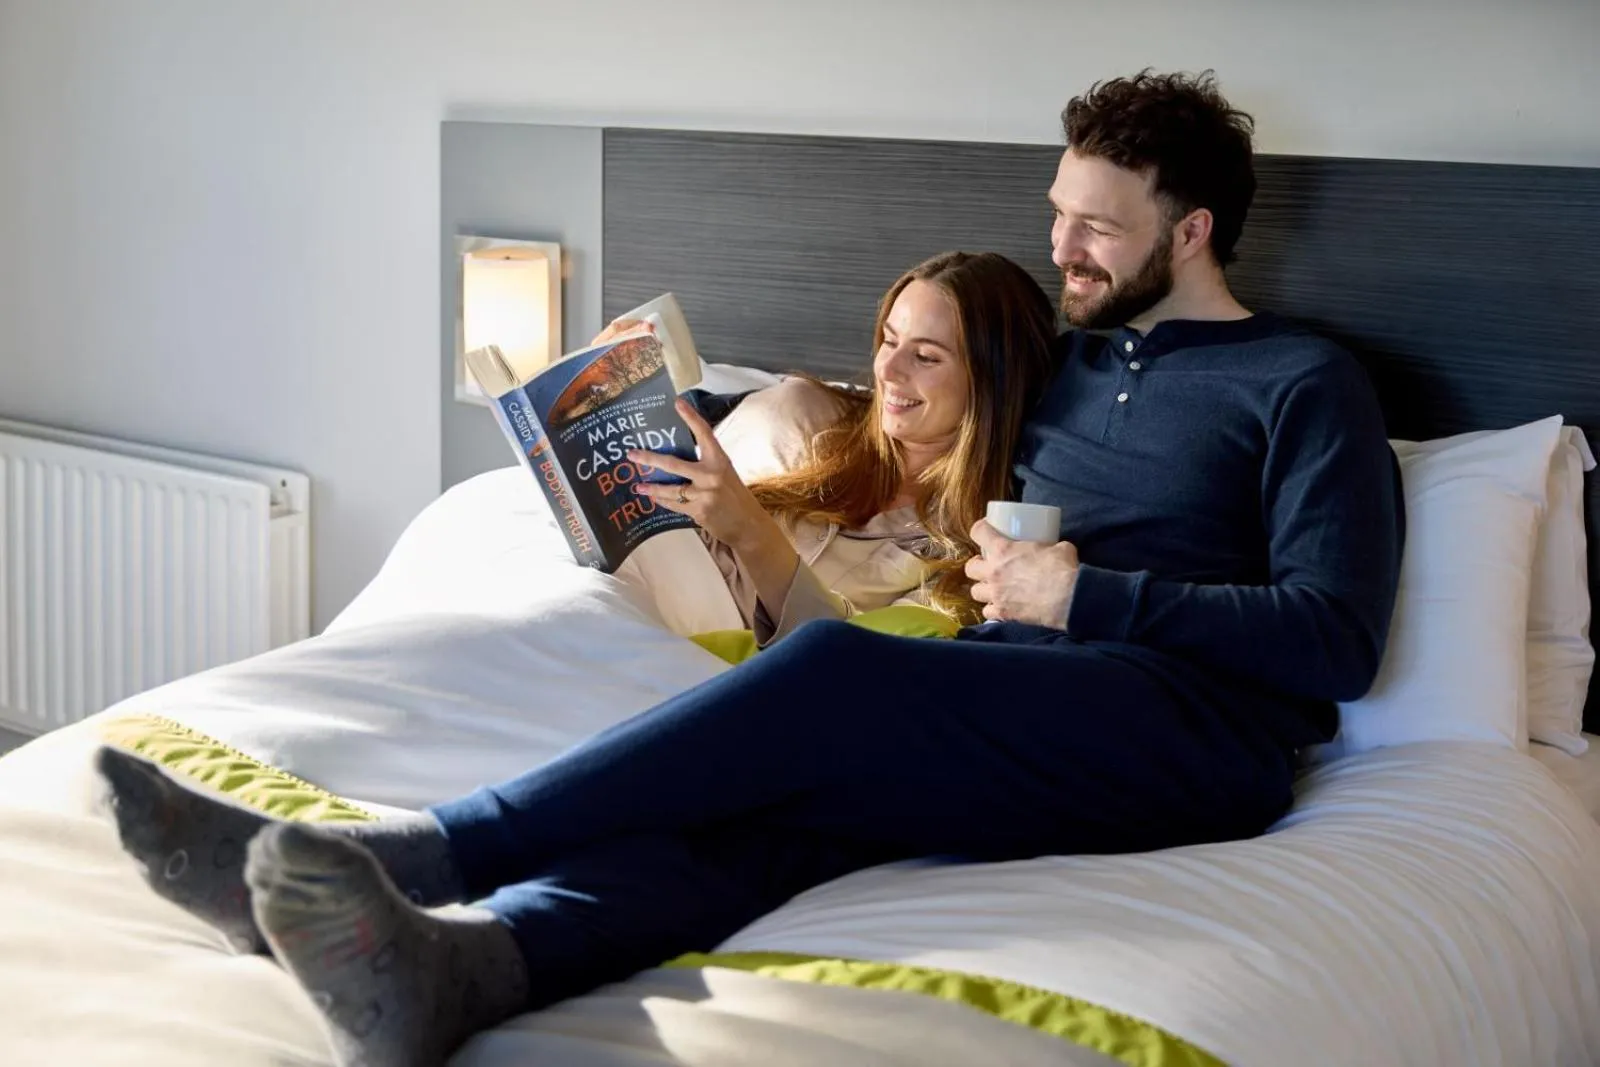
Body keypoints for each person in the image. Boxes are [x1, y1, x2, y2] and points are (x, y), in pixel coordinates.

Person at [95, 70, 1404, 1067]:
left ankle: (431, 851)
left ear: (1192, 231)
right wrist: (680, 419)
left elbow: (1334, 641)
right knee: (780, 810)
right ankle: (469, 966)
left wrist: (1084, 595)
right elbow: (903, 409)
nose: (1063, 246)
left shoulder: (1302, 384)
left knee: (837, 672)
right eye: (1057, 214)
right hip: (1022, 688)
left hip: (1192, 733)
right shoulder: (1062, 369)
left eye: (1098, 229)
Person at [605, 250, 1057, 644]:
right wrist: (612, 401)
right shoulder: (799, 416)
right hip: (622, 598)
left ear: (993, 384)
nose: (888, 370)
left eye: (925, 356)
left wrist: (751, 531)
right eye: (889, 341)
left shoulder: (970, 559)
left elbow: (847, 669)